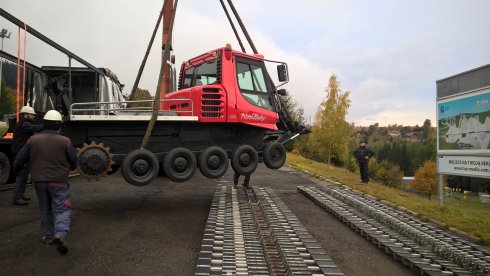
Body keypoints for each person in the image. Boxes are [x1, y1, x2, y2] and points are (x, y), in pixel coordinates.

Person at [14, 110, 78, 254]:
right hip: (59, 181)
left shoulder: (32, 140)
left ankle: (48, 236)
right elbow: (74, 160)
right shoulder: (65, 141)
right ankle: (60, 234)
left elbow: (20, 159)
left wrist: (17, 170)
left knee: (45, 208)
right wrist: (72, 167)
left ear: (44, 124)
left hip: (39, 182)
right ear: (59, 125)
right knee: (62, 208)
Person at [12, 106, 44, 205]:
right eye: (32, 115)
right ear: (25, 115)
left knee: (24, 175)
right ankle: (17, 197)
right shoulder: (24, 124)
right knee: (21, 174)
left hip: (23, 151)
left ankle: (20, 195)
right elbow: (35, 128)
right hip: (20, 151)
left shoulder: (25, 123)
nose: (34, 116)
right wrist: (47, 125)